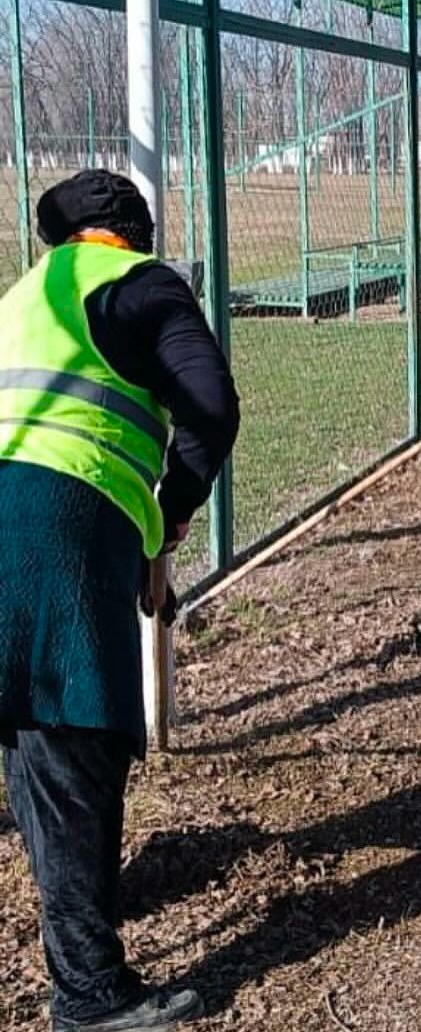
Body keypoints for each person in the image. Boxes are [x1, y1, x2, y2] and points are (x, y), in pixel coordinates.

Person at [0, 170, 240, 1031]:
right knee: (75, 743)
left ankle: (78, 906)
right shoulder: (140, 283)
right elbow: (211, 405)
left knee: (27, 732)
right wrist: (172, 510)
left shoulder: (20, 296)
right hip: (56, 525)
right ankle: (88, 992)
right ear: (134, 233)